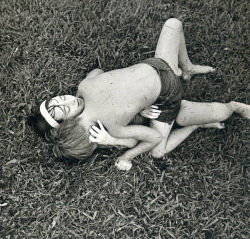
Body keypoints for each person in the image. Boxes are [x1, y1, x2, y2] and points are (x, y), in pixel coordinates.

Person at [28, 18, 250, 170]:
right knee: (173, 24)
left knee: (158, 151)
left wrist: (124, 153)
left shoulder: (112, 127)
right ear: (69, 121)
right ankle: (188, 70)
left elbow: (153, 138)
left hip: (168, 93)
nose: (66, 102)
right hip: (158, 64)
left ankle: (219, 112)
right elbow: (98, 72)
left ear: (93, 142)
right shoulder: (85, 87)